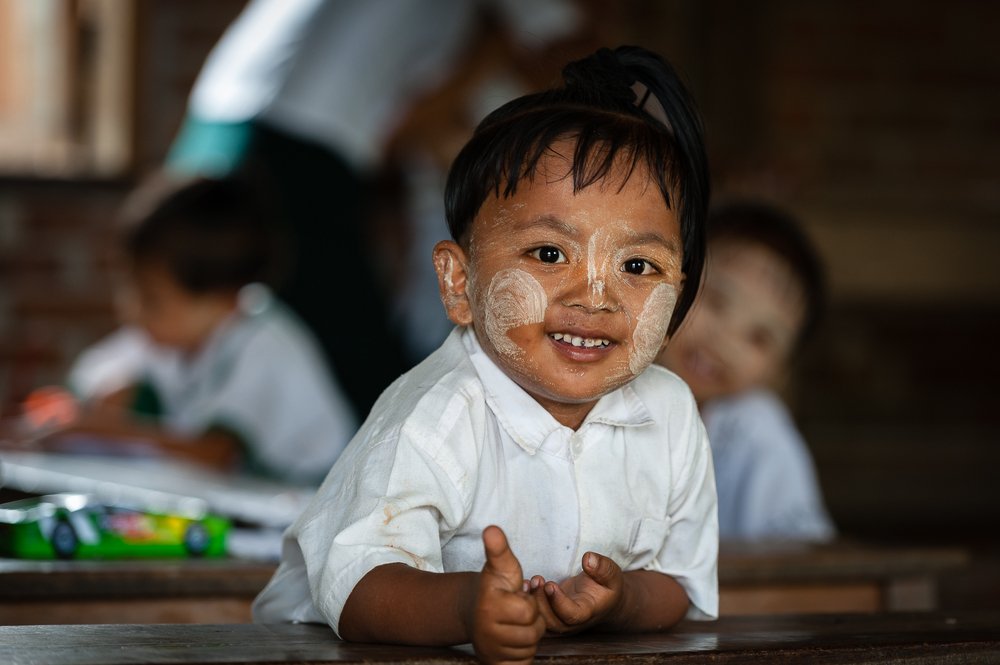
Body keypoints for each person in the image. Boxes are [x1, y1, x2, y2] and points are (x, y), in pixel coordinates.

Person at [252, 45, 718, 664]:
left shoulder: (670, 412)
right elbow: (359, 588)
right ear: (457, 282)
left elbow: (680, 586)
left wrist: (618, 600)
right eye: (550, 254)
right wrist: (469, 608)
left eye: (638, 265)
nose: (594, 296)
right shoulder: (437, 412)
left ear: (676, 298)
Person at [167, 0, 592, 423]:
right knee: (353, 360)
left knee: (222, 330)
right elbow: (578, 63)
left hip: (219, 116)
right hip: (302, 134)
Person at [20, 175, 358, 486]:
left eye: (152, 300)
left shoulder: (266, 343)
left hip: (306, 515)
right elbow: (92, 387)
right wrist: (83, 408)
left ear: (226, 300)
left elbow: (215, 455)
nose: (133, 312)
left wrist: (110, 430)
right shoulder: (171, 339)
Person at [656, 201, 836, 542]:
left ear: (780, 373)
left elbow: (800, 558)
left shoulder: (752, 429)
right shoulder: (598, 380)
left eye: (759, 338)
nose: (724, 341)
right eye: (716, 301)